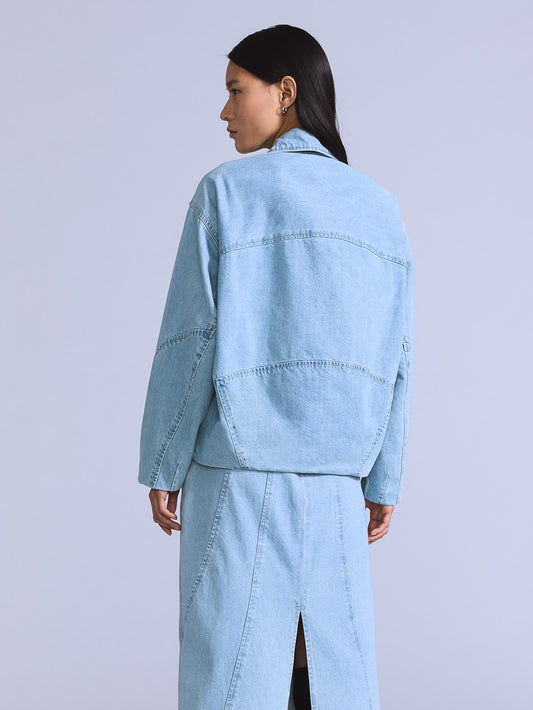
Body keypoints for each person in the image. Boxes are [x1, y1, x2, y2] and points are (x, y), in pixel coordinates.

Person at [137, 24, 414, 710]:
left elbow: (192, 339)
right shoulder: (379, 210)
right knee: (326, 674)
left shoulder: (226, 193)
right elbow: (397, 355)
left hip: (238, 478)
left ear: (284, 92)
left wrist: (163, 463)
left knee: (233, 675)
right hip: (337, 488)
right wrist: (385, 475)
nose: (224, 110)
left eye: (236, 91)